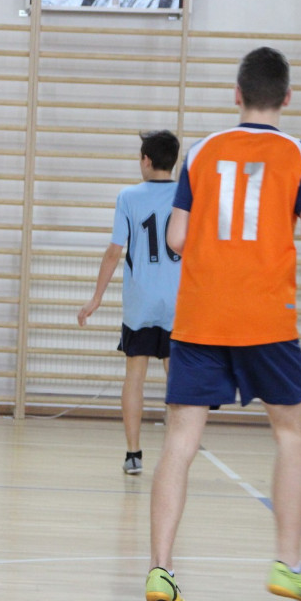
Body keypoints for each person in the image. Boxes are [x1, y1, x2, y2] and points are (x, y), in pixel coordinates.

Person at [144, 47, 301, 601]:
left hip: (201, 316)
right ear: (287, 98)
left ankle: (161, 572)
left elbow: (176, 238)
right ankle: (289, 564)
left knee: (180, 441)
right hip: (266, 317)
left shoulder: (202, 152)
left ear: (237, 95)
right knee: (290, 434)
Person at [77, 130, 181, 475]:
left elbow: (113, 252)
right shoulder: (188, 195)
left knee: (134, 376)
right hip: (178, 301)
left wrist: (96, 298)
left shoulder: (128, 197)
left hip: (141, 303)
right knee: (176, 379)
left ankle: (133, 455)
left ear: (146, 160)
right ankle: (176, 454)